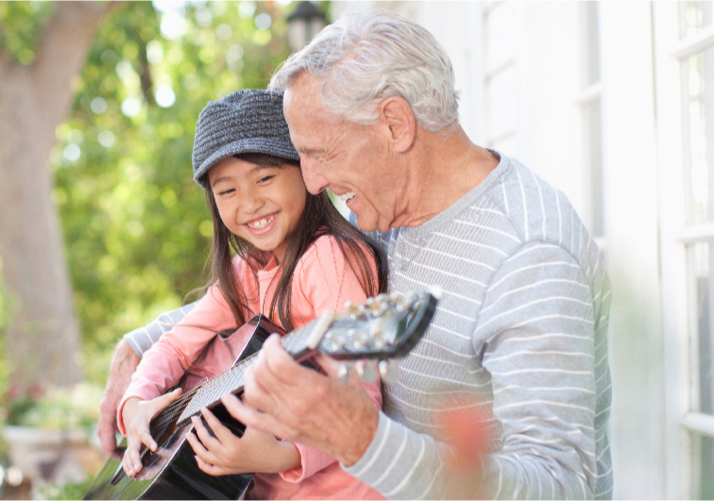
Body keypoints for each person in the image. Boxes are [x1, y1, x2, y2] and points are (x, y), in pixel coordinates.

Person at [99, 10, 613, 500]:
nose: (314, 181)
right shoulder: (387, 213)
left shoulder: (527, 255)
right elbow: (265, 288)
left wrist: (365, 442)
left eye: (321, 153)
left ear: (395, 125)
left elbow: (561, 485)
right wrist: (139, 348)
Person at [116, 89, 388, 500]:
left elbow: (359, 395)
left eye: (264, 178)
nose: (250, 203)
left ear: (305, 171)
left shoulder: (329, 261)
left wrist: (282, 454)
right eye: (228, 191)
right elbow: (175, 344)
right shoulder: (248, 271)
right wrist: (136, 403)